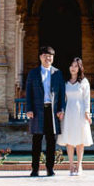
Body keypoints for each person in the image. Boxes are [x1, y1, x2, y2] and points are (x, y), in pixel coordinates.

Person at [25, 45, 65, 177]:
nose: (48, 58)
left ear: (52, 58)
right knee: (36, 140)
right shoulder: (33, 73)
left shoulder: (58, 73)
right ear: (40, 57)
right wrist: (29, 108)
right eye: (45, 56)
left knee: (51, 141)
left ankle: (50, 168)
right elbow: (29, 93)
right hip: (37, 110)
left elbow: (62, 94)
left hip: (52, 111)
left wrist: (61, 109)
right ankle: (35, 169)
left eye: (50, 56)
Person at [57, 57, 93, 175]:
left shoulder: (84, 82)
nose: (73, 68)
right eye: (71, 66)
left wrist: (87, 112)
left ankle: (79, 165)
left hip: (80, 112)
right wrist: (61, 111)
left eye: (76, 66)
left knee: (80, 140)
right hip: (69, 112)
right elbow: (62, 98)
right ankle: (71, 165)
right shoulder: (65, 82)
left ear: (79, 68)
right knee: (69, 139)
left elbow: (87, 99)